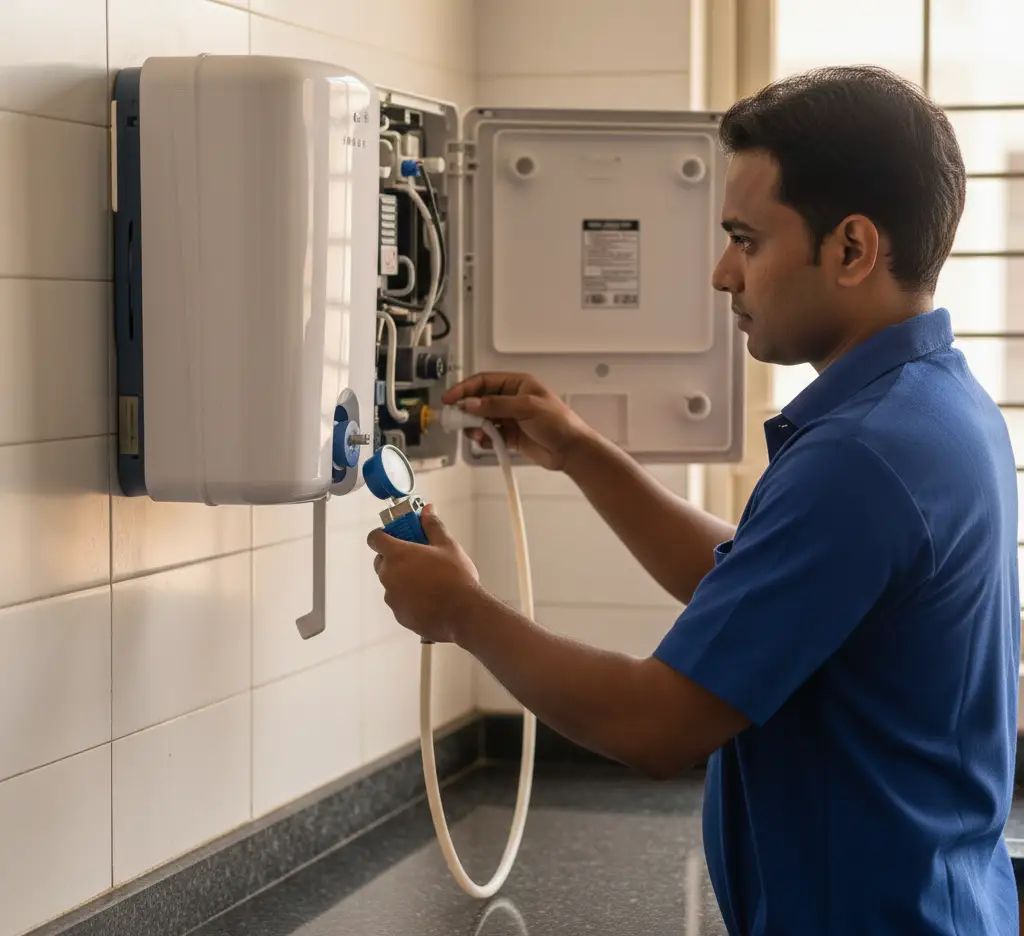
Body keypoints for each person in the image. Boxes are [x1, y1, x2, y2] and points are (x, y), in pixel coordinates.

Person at [367, 65, 1021, 935]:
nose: (722, 275)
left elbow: (655, 726)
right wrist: (584, 453)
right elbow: (760, 588)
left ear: (853, 248)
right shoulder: (935, 406)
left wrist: (463, 613)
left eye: (746, 240)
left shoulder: (861, 457)